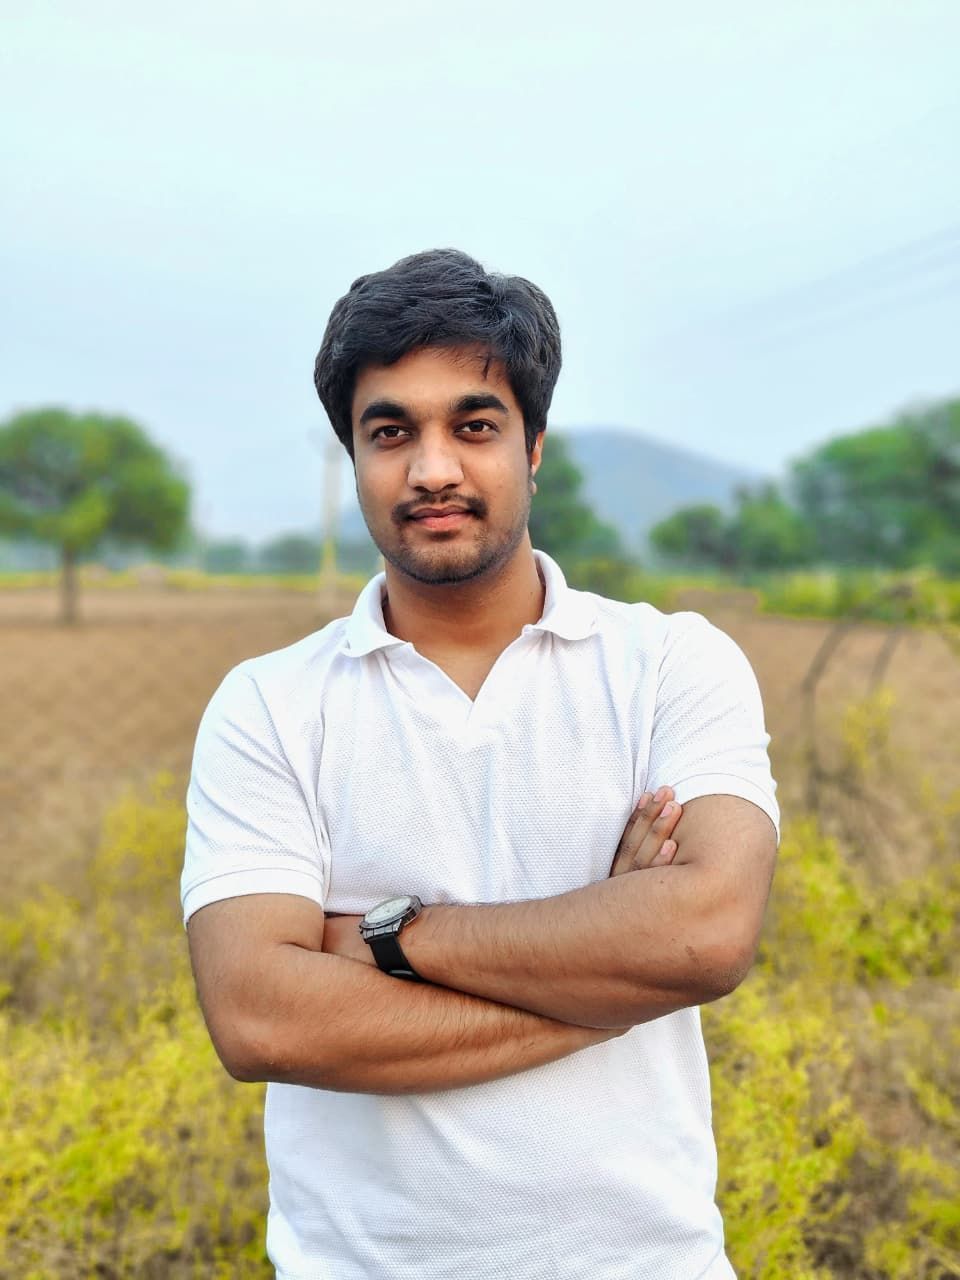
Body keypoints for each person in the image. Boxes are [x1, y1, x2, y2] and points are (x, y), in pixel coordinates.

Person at [182, 248, 779, 1280]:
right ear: (354, 458)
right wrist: (609, 962)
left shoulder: (671, 662)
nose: (433, 469)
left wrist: (390, 936)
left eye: (474, 424)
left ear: (535, 446)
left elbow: (708, 930)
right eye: (389, 431)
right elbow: (258, 1014)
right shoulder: (269, 703)